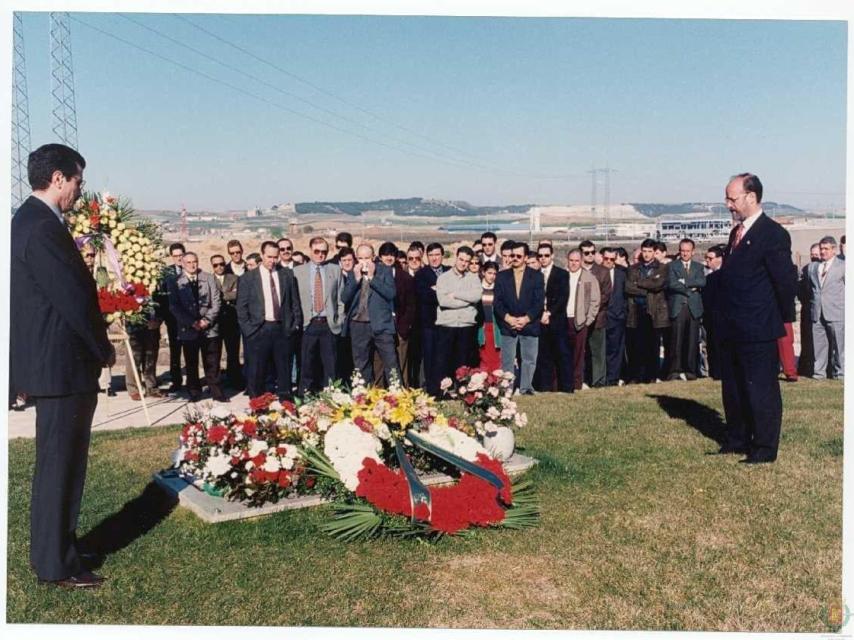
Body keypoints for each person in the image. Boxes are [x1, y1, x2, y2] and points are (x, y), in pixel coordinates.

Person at [11, 143, 115, 588]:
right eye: (77, 181)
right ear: (58, 179)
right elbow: (72, 301)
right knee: (59, 467)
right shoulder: (40, 228)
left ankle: (62, 549)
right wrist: (102, 348)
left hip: (58, 365)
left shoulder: (32, 221)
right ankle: (55, 565)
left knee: (64, 465)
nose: (78, 190)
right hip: (62, 366)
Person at [717, 173, 796, 463]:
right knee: (735, 387)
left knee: (760, 389)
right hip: (733, 324)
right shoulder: (736, 233)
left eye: (732, 199)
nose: (728, 205)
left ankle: (764, 448)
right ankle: (738, 438)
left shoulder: (772, 234)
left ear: (751, 197)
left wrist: (780, 319)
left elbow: (784, 283)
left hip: (758, 326)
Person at [236, 241, 302, 400]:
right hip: (259, 330)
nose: (272, 261)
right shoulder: (248, 278)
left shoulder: (286, 274)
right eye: (269, 257)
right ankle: (257, 406)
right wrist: (249, 331)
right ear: (262, 255)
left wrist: (294, 324)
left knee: (284, 370)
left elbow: (294, 303)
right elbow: (241, 308)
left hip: (282, 329)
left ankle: (286, 406)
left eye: (275, 257)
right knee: (257, 372)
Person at [168, 252, 224, 403]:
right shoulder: (175, 281)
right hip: (188, 329)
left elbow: (216, 302)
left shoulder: (209, 278)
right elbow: (174, 306)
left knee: (212, 362)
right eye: (188, 262)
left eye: (195, 261)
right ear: (183, 264)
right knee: (191, 362)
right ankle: (194, 392)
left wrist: (207, 320)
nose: (192, 265)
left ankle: (216, 392)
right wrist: (191, 322)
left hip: (209, 327)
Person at [342, 243, 399, 384]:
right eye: (360, 258)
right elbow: (344, 297)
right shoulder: (352, 273)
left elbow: (390, 293)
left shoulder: (385, 271)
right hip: (358, 324)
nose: (364, 261)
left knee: (391, 364)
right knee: (361, 365)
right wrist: (356, 279)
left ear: (373, 257)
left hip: (381, 324)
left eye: (367, 257)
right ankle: (362, 397)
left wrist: (373, 277)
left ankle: (398, 398)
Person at [493, 241, 545, 394]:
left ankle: (526, 388)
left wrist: (526, 319)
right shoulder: (502, 276)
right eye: (512, 255)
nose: (514, 258)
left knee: (529, 359)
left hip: (529, 324)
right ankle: (507, 389)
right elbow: (498, 302)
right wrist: (508, 318)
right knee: (507, 361)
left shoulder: (536, 276)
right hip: (508, 325)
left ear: (526, 257)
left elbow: (539, 301)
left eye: (518, 255)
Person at [294, 237, 343, 394]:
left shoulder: (335, 270)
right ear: (310, 250)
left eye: (324, 252)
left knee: (331, 366)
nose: (320, 255)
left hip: (328, 324)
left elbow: (340, 299)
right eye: (317, 251)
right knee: (307, 365)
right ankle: (305, 396)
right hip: (308, 324)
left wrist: (338, 320)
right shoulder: (298, 272)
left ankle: (332, 398)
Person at [434, 246, 483, 392]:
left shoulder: (474, 278)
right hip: (447, 326)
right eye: (461, 259)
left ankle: (462, 391)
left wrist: (455, 294)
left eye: (467, 261)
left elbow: (476, 296)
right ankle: (445, 391)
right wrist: (467, 301)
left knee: (463, 362)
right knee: (444, 361)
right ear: (456, 257)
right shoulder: (443, 278)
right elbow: (443, 301)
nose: (463, 263)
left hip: (466, 326)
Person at [625, 239, 670, 383]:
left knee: (653, 345)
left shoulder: (662, 268)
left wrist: (638, 284)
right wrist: (648, 287)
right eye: (644, 251)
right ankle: (636, 376)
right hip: (636, 310)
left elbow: (658, 284)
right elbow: (628, 287)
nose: (646, 254)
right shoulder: (633, 268)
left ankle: (651, 375)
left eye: (650, 251)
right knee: (636, 346)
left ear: (654, 252)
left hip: (654, 312)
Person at [533, 242, 572, 392]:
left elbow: (563, 297)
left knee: (562, 354)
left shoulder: (562, 274)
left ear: (552, 256)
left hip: (556, 320)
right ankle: (544, 387)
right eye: (540, 256)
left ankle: (567, 387)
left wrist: (549, 313)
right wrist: (539, 314)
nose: (543, 258)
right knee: (543, 356)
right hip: (539, 320)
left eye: (546, 255)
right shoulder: (534, 274)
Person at [665, 238, 706, 380]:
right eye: (682, 251)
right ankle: (674, 371)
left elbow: (702, 282)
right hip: (678, 306)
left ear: (693, 252)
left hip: (694, 308)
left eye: (687, 251)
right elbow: (671, 284)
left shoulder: (698, 267)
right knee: (675, 340)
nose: (684, 254)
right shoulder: (672, 266)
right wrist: (689, 289)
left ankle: (691, 371)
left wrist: (684, 282)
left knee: (692, 340)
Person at [376, 242, 416, 385]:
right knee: (379, 364)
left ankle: (402, 397)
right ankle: (377, 397)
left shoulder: (405, 278)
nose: (389, 258)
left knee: (400, 363)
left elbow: (411, 305)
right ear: (380, 257)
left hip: (400, 326)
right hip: (380, 326)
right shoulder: (374, 275)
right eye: (386, 255)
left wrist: (404, 328)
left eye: (392, 254)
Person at [81, 244, 116, 397]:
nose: (90, 258)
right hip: (83, 316)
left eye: (92, 255)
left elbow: (105, 288)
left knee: (104, 346)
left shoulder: (100, 272)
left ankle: (106, 384)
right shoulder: (77, 270)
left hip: (100, 315)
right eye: (87, 255)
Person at [414, 242, 448, 394]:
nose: (434, 258)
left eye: (437, 255)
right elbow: (424, 295)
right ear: (426, 257)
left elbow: (457, 292)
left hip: (448, 322)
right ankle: (432, 389)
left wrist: (436, 290)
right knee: (430, 356)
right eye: (431, 255)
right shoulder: (421, 274)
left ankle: (446, 388)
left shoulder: (450, 272)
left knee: (446, 356)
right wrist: (444, 293)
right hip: (429, 323)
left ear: (443, 255)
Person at [809, 235, 845, 380]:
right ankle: (819, 373)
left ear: (834, 250)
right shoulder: (813, 267)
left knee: (839, 346)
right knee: (819, 346)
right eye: (821, 248)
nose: (823, 251)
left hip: (836, 311)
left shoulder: (843, 266)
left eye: (826, 249)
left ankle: (840, 373)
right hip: (817, 312)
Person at [565, 249, 600, 391]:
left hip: (580, 320)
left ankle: (577, 383)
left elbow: (595, 300)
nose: (574, 263)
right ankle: (563, 382)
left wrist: (587, 320)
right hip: (563, 320)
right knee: (564, 353)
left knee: (579, 354)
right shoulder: (563, 275)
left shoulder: (589, 278)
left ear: (581, 261)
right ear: (567, 260)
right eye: (571, 260)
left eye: (576, 261)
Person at [580, 240, 611, 388]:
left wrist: (590, 310)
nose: (590, 255)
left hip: (597, 317)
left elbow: (605, 295)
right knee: (581, 351)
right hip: (578, 318)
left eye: (593, 252)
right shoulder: (576, 270)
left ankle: (598, 380)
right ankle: (582, 379)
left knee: (598, 351)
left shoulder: (603, 271)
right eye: (587, 253)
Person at [211, 254, 244, 390]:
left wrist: (219, 295)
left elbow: (237, 294)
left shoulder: (233, 278)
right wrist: (228, 293)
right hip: (216, 322)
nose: (219, 267)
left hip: (231, 320)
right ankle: (216, 382)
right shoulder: (209, 279)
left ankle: (234, 380)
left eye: (221, 264)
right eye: (215, 265)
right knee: (215, 354)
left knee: (233, 353)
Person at [158, 242, 186, 392]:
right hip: (173, 318)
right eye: (175, 256)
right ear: (171, 257)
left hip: (189, 318)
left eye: (181, 255)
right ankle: (176, 380)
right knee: (175, 350)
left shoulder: (190, 267)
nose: (179, 258)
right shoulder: (166, 273)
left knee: (190, 349)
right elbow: (162, 296)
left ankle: (193, 382)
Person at [601, 247, 628, 386]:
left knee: (616, 350)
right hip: (600, 317)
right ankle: (600, 377)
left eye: (612, 259)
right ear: (602, 258)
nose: (609, 262)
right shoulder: (595, 273)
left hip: (617, 317)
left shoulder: (622, 273)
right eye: (606, 259)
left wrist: (622, 312)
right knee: (601, 350)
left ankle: (613, 378)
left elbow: (626, 294)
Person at [796, 243, 820, 378]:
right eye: (812, 254)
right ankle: (805, 367)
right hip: (807, 309)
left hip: (819, 308)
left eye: (816, 254)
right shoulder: (805, 269)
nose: (814, 256)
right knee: (806, 340)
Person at [701, 244, 725, 380]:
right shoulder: (708, 275)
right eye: (706, 258)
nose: (707, 261)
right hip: (711, 315)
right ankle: (715, 371)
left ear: (720, 258)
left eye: (710, 258)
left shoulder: (724, 274)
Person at [336, 247, 356, 381]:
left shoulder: (358, 275)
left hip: (355, 322)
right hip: (341, 323)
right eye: (344, 260)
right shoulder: (337, 276)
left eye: (349, 260)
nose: (347, 263)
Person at [477, 262, 502, 372]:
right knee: (483, 356)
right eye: (489, 273)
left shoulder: (498, 289)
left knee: (496, 357)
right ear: (483, 272)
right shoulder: (477, 288)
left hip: (495, 327)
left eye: (494, 274)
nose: (492, 276)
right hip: (482, 327)